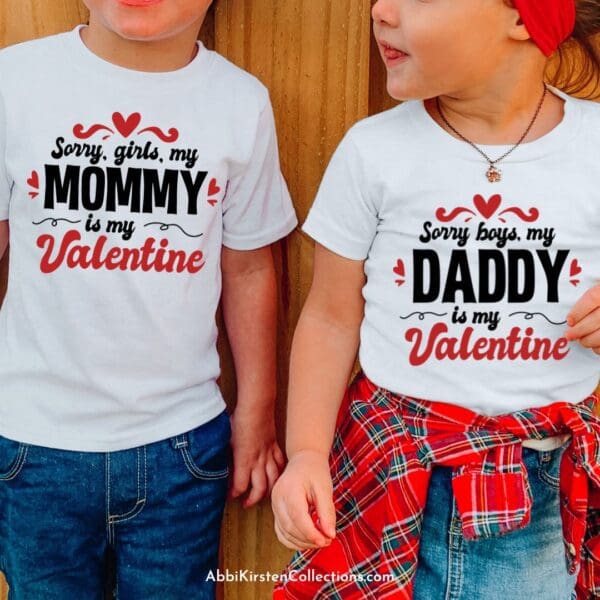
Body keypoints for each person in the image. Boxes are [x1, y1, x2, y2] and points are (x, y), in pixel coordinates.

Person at [271, 0, 600, 597]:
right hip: (384, 471)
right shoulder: (374, 151)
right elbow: (329, 316)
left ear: (524, 19)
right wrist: (305, 454)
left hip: (537, 496)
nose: (380, 11)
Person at [0, 1, 297, 597]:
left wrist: (257, 411)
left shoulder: (239, 102)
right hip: (33, 445)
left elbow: (247, 270)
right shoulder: (15, 82)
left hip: (181, 449)